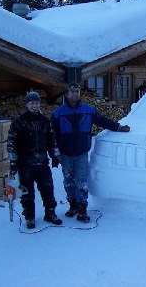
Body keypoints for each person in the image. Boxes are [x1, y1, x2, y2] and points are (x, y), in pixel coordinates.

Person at [51, 83, 130, 223]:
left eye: (77, 91)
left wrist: (118, 127)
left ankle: (82, 210)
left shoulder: (88, 111)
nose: (75, 94)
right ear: (67, 94)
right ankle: (73, 206)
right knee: (69, 181)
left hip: (81, 153)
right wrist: (55, 154)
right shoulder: (57, 113)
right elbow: (53, 135)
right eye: (72, 92)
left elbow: (102, 121)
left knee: (81, 181)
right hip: (65, 154)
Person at [7, 91, 62, 229]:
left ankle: (50, 213)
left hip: (42, 163)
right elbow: (11, 144)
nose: (34, 105)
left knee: (48, 190)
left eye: (36, 103)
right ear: (27, 104)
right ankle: (29, 217)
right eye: (31, 103)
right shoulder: (19, 122)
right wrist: (13, 162)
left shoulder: (45, 121)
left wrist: (55, 156)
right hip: (25, 165)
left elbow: (52, 140)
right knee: (27, 193)